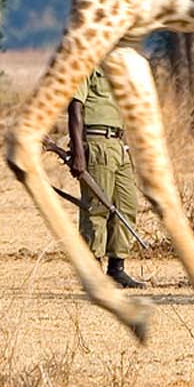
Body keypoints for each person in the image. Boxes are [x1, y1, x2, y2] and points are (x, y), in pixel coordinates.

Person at [67, 65, 145, 289]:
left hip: (119, 144)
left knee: (126, 205)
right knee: (97, 207)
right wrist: (79, 153)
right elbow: (74, 108)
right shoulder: (86, 63)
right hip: (96, 142)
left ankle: (116, 268)